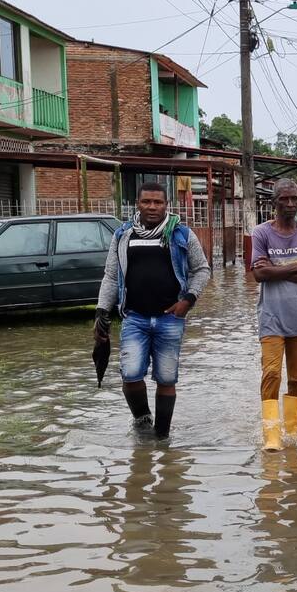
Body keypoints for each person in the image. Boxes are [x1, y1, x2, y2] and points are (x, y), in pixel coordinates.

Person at [95, 182, 211, 439]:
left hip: (170, 318)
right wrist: (101, 312)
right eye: (146, 201)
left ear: (166, 205)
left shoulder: (181, 234)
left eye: (158, 202)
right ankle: (143, 420)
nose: (152, 207)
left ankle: (162, 437)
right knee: (131, 374)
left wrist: (188, 300)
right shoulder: (123, 235)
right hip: (134, 317)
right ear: (137, 204)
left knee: (167, 379)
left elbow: (202, 270)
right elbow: (112, 276)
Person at [251, 179, 297, 451]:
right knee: (271, 373)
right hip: (271, 317)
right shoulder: (261, 233)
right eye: (285, 199)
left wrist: (277, 269)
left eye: (295, 199)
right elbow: (259, 274)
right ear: (275, 202)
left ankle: (291, 433)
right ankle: (271, 436)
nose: (291, 204)